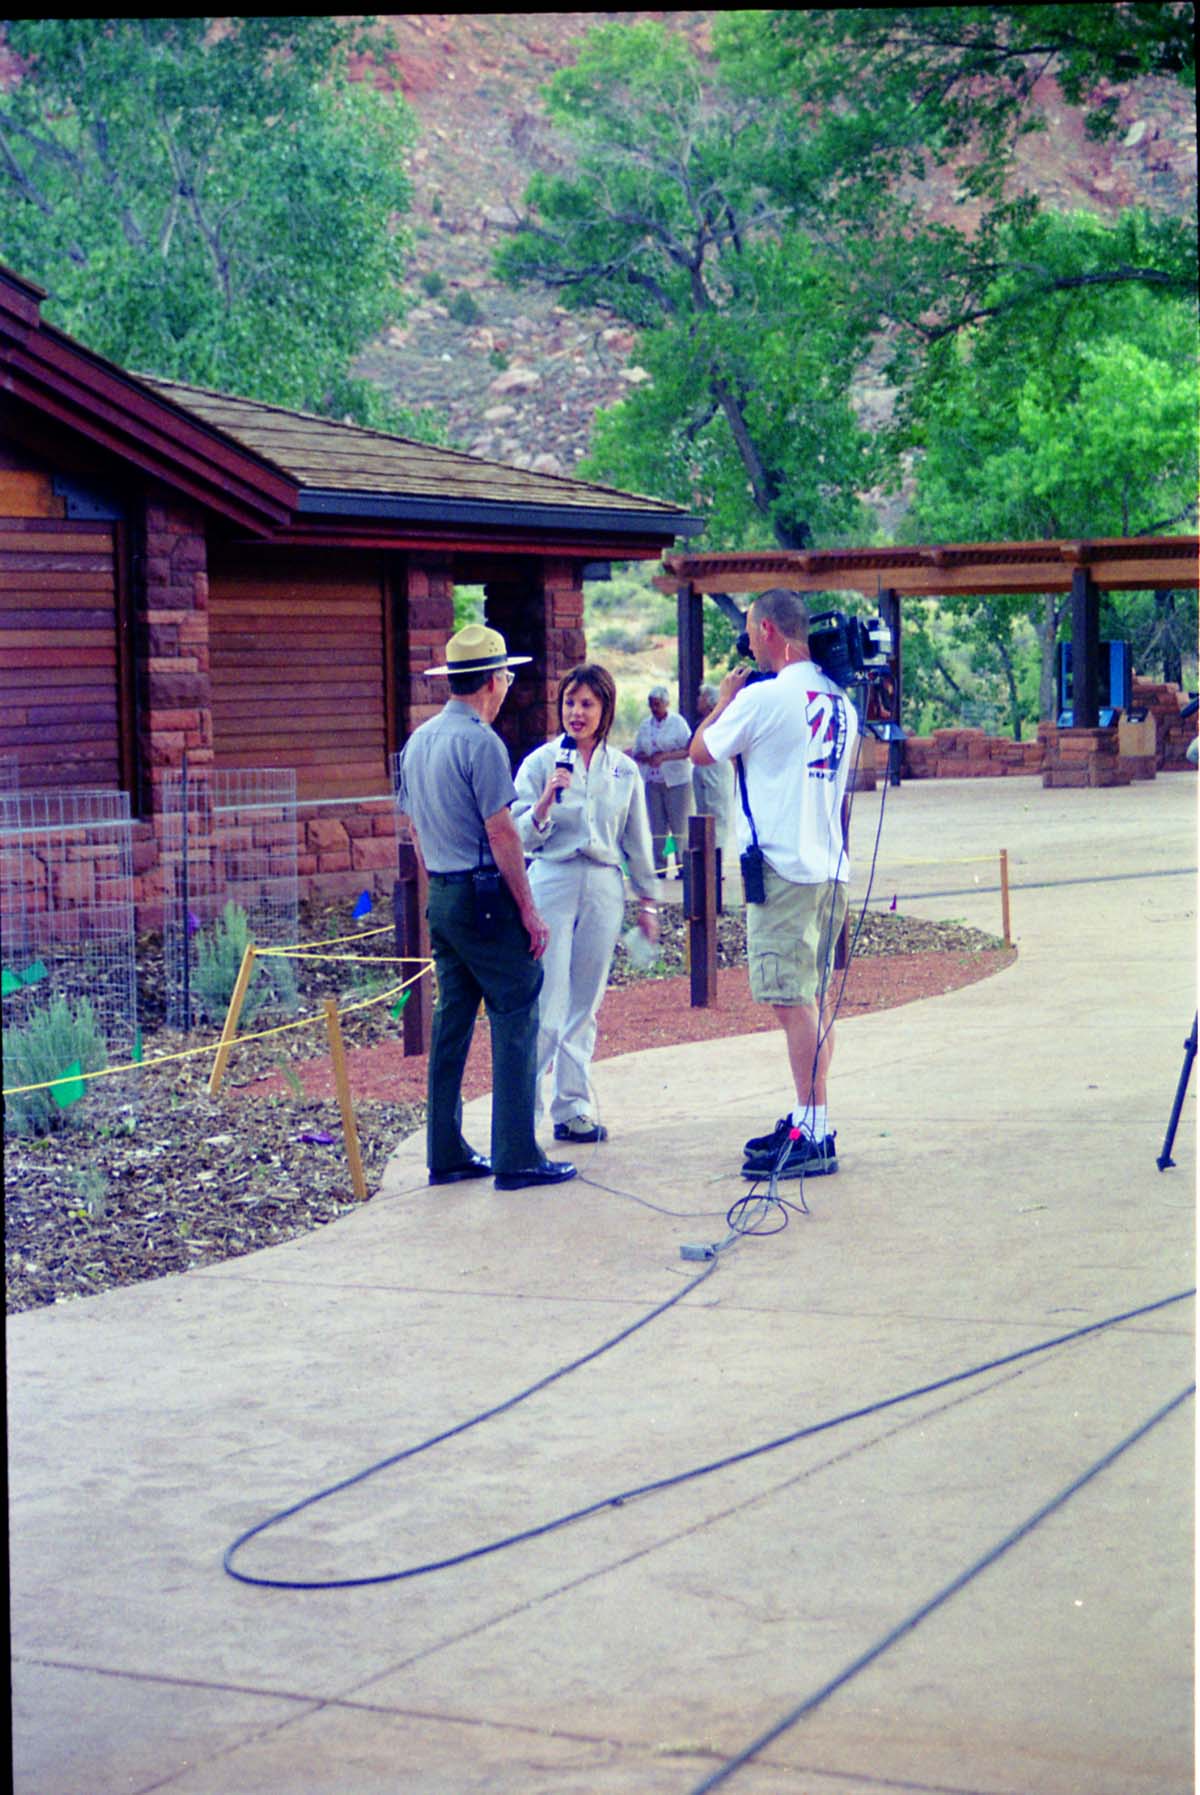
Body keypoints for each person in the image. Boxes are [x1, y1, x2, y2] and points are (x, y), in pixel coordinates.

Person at [394, 622, 577, 1192]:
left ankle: (445, 1149)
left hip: (444, 892)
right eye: (506, 677)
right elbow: (503, 834)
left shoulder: (419, 741)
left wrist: (439, 890)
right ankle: (517, 1153)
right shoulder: (481, 742)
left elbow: (415, 830)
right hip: (482, 893)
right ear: (493, 682)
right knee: (517, 1007)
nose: (507, 686)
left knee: (452, 1020)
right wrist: (528, 909)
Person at [689, 588, 858, 1180]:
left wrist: (725, 700)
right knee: (809, 1000)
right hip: (829, 870)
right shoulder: (840, 700)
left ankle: (815, 1130)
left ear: (765, 630)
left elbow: (700, 751)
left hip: (784, 871)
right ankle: (809, 1118)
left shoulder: (763, 698)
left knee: (790, 1002)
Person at [513, 663, 659, 1144]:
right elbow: (516, 836)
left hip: (602, 883)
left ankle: (573, 1107)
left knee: (585, 1001)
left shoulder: (623, 768)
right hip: (552, 878)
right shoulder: (539, 764)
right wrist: (544, 803)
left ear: (605, 710)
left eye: (587, 704)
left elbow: (637, 839)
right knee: (546, 1001)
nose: (577, 712)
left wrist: (647, 902)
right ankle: (521, 1115)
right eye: (570, 702)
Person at [631, 685, 694, 876]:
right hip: (653, 781)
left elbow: (687, 750)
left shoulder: (678, 723)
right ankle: (659, 867)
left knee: (679, 825)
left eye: (657, 704)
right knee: (657, 827)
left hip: (677, 781)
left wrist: (665, 756)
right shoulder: (645, 725)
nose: (654, 709)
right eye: (651, 705)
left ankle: (683, 866)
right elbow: (637, 752)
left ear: (666, 704)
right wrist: (648, 758)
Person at [690, 682, 734, 847]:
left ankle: (717, 859)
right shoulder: (701, 722)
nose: (697, 701)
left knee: (717, 814)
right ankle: (704, 857)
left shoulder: (722, 719)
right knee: (702, 813)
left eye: (701, 697)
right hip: (701, 768)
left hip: (717, 767)